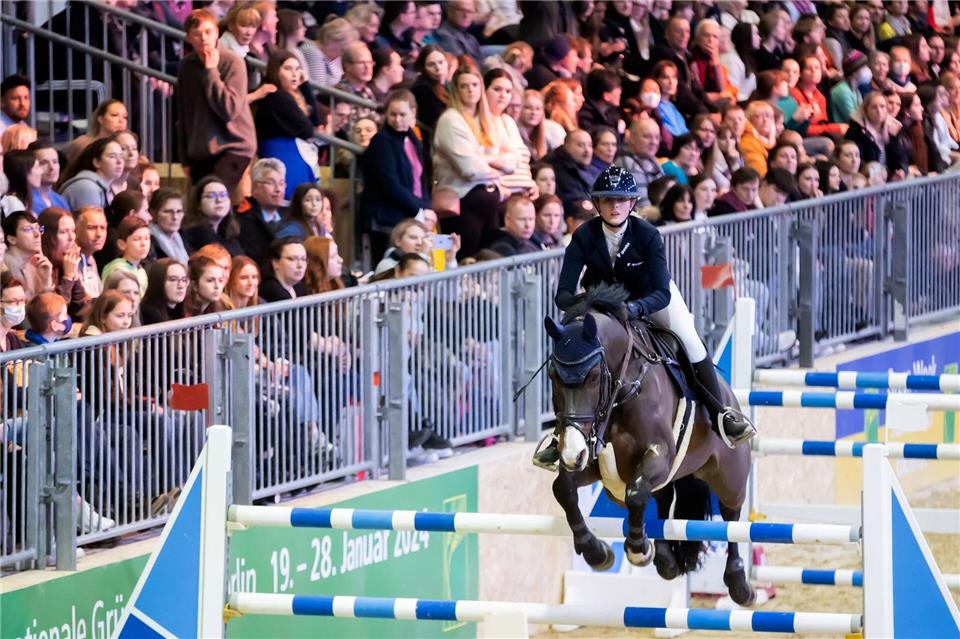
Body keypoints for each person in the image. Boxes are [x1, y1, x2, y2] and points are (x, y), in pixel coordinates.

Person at [535, 165, 755, 468]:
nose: (614, 206)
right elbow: (562, 294)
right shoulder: (583, 236)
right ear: (597, 204)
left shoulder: (647, 234)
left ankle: (722, 414)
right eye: (607, 199)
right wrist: (590, 302)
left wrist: (635, 309)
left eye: (621, 200)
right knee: (575, 354)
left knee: (690, 340)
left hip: (651, 299)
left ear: (632, 203)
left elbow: (662, 293)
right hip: (604, 307)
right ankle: (560, 435)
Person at [177, 9, 256, 193]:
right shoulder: (186, 66)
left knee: (214, 197)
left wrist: (211, 71)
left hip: (233, 145)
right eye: (197, 34)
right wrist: (185, 159)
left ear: (217, 33)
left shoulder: (232, 61)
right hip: (201, 149)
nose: (203, 38)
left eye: (208, 32)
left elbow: (229, 109)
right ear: (189, 38)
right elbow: (183, 114)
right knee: (199, 206)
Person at [360, 89, 433, 261]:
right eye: (392, 114)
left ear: (413, 113)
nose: (397, 119)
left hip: (409, 215)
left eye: (402, 114)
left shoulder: (412, 139)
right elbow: (389, 184)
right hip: (386, 219)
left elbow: (421, 179)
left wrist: (427, 207)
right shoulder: (381, 141)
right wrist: (420, 210)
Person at [255, 51, 323, 199]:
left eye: (297, 68)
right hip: (283, 157)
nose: (295, 74)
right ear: (275, 71)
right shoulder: (277, 95)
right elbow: (307, 129)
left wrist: (305, 86)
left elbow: (316, 122)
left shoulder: (289, 96)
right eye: (288, 68)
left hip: (291, 156)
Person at [237, 158, 286, 268]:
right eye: (270, 183)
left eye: (281, 183)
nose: (278, 189)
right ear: (254, 187)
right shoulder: (243, 219)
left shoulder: (289, 216)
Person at [181, 176, 244, 256]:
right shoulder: (194, 232)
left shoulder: (229, 233)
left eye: (223, 195)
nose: (219, 200)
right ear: (198, 204)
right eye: (211, 196)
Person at [57, 136, 125, 210]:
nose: (119, 161)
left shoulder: (97, 185)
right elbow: (90, 221)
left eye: (121, 156)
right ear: (96, 162)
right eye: (112, 156)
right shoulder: (88, 187)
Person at [60, 99, 127, 164]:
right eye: (114, 115)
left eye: (125, 117)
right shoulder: (84, 144)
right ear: (100, 119)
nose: (121, 121)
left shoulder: (129, 147)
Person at [100, 215, 151, 294]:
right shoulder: (116, 269)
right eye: (137, 239)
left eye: (147, 238)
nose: (144, 243)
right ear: (122, 244)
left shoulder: (141, 270)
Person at [141, 258, 187, 325]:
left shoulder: (180, 309)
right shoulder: (149, 313)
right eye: (173, 280)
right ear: (158, 282)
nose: (181, 286)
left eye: (184, 280)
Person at [260, 237, 308, 301]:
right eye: (292, 259)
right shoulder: (271, 291)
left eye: (303, 259)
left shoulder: (300, 287)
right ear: (275, 263)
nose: (300, 265)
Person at [149, 188, 189, 263]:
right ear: (153, 213)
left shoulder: (183, 238)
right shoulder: (149, 243)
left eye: (179, 211)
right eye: (168, 211)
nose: (175, 217)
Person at [27, 141, 69, 212]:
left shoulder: (60, 200)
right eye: (44, 163)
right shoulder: (26, 201)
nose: (52, 167)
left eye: (55, 162)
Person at [75, 206, 108, 298]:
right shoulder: (72, 260)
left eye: (103, 228)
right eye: (92, 228)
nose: (99, 234)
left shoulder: (91, 258)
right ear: (76, 229)